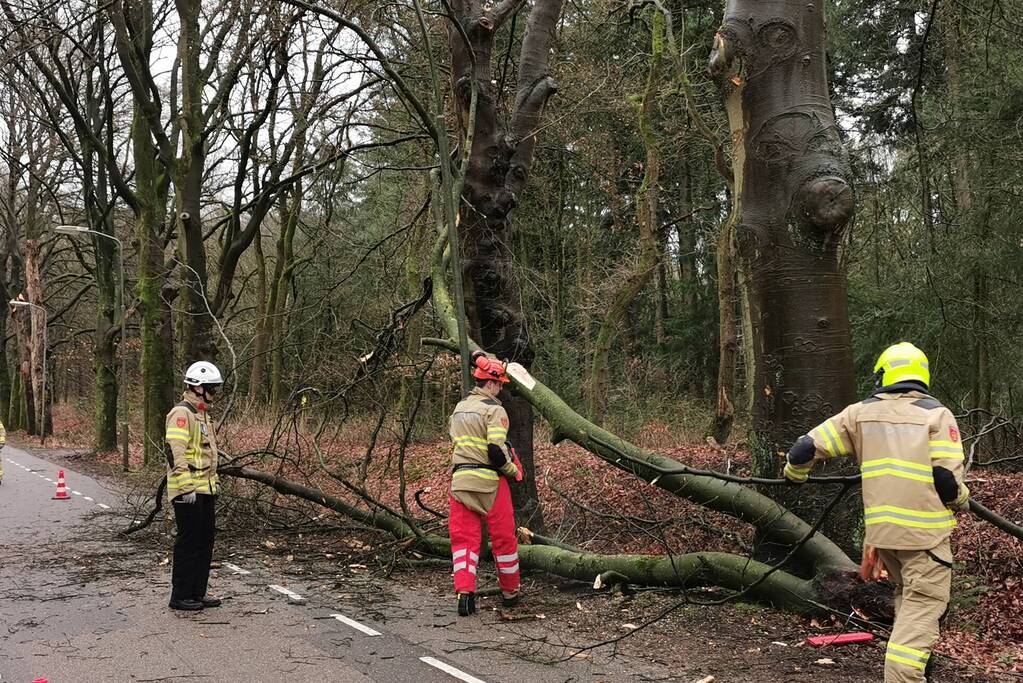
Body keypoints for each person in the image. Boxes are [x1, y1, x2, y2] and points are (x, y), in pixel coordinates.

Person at [784, 342, 970, 682]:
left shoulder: (859, 414)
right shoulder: (937, 415)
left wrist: (794, 475)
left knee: (907, 601)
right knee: (918, 621)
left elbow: (804, 448)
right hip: (925, 540)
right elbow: (946, 481)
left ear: (883, 375)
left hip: (886, 539)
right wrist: (962, 499)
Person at [447, 350, 524, 616]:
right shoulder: (495, 411)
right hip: (490, 482)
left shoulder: (459, 409)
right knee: (504, 539)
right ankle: (510, 594)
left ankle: (465, 595)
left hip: (460, 482)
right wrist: (513, 470)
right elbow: (495, 450)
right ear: (489, 383)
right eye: (500, 383)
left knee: (463, 541)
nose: (501, 389)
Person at [165, 361, 224, 611]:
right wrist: (186, 487)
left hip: (206, 489)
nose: (214, 394)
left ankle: (197, 593)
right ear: (198, 388)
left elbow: (206, 454)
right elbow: (175, 453)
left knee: (204, 542)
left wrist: (214, 484)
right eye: (212, 389)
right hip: (188, 491)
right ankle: (180, 596)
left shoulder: (202, 415)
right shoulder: (182, 414)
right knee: (188, 543)